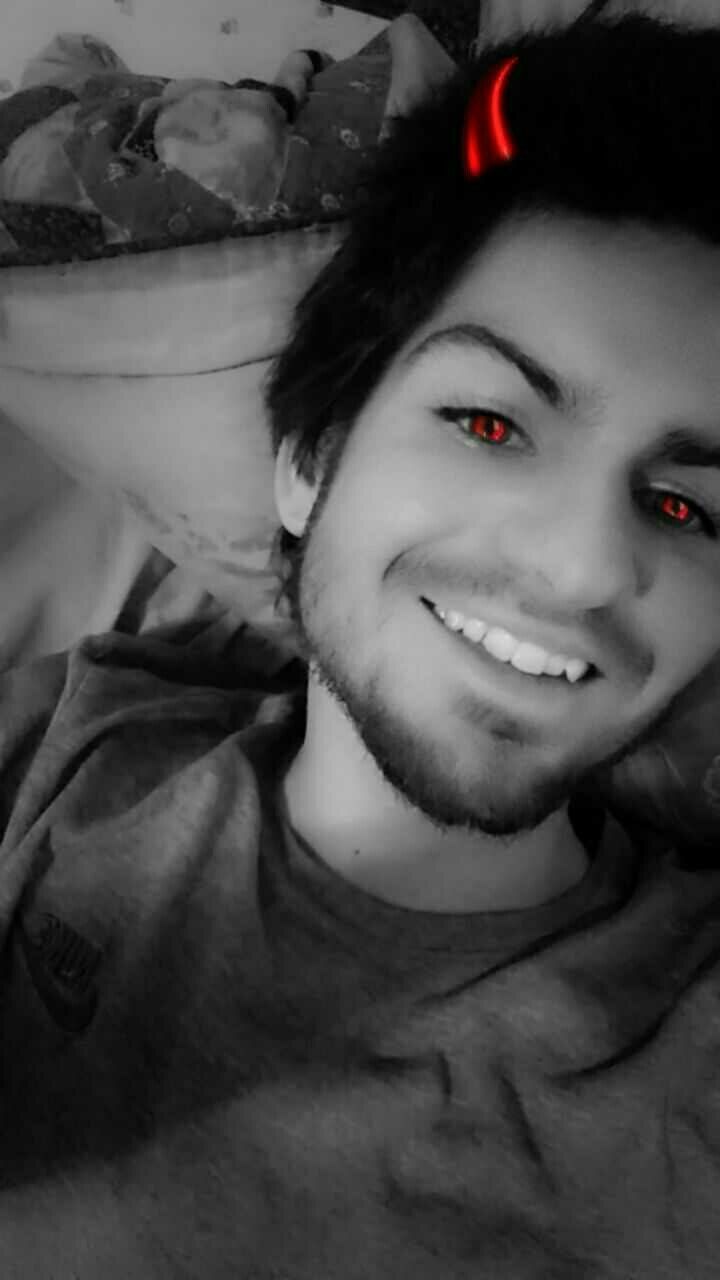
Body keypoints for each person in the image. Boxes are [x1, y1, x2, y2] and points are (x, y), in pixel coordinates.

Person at [2, 12, 720, 1277]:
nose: (585, 568)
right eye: (490, 423)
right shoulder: (76, 733)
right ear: (308, 458)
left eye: (688, 508)